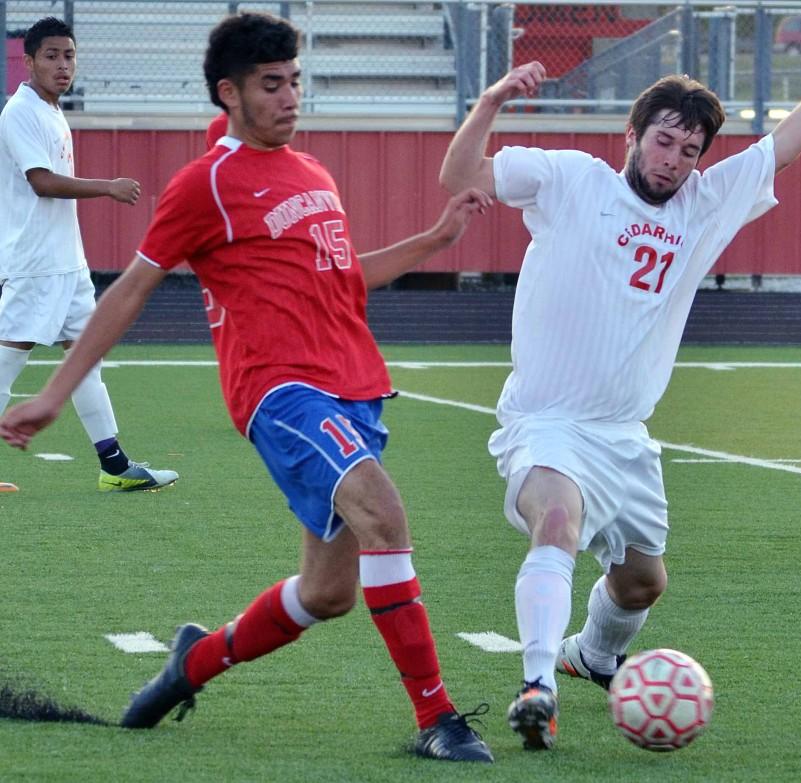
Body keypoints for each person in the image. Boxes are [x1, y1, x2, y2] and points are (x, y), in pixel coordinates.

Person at [0, 11, 494, 763]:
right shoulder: (207, 183)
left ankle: (190, 663)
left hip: (353, 386)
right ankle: (439, 718)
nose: (290, 96)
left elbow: (344, 277)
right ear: (229, 94)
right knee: (383, 511)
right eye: (272, 85)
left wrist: (433, 240)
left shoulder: (312, 173)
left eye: (295, 80)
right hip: (281, 392)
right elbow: (131, 287)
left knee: (328, 592)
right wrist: (53, 394)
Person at [439, 15, 801, 750]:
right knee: (556, 520)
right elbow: (461, 177)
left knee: (642, 583)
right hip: (547, 421)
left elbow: (784, 143)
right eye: (664, 139)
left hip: (624, 436)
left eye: (691, 149)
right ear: (633, 131)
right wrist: (491, 99)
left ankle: (589, 654)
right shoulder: (567, 178)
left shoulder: (705, 206)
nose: (675, 159)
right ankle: (537, 685)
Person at [0, 17, 177, 492]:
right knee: (6, 362)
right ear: (30, 60)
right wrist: (108, 187)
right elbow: (41, 182)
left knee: (85, 362)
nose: (62, 65)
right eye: (52, 56)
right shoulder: (20, 112)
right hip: (35, 264)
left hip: (67, 264)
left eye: (69, 56)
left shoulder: (51, 109)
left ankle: (115, 466)